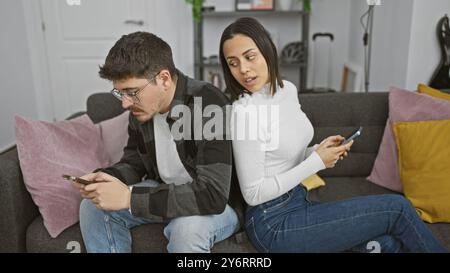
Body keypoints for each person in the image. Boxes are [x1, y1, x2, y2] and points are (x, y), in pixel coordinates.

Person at [219, 17, 448, 253]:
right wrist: (316, 162)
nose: (243, 69)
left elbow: (282, 157)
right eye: (233, 63)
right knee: (398, 209)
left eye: (249, 56)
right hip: (273, 222)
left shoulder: (287, 90)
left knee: (386, 244)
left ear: (268, 49)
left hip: (299, 200)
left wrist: (316, 150)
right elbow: (253, 194)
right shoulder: (244, 113)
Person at [74, 31, 243, 253]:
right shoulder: (140, 109)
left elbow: (213, 194)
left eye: (132, 92)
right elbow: (134, 163)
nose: (125, 103)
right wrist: (105, 178)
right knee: (92, 207)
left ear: (163, 79)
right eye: (120, 93)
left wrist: (130, 198)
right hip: (164, 190)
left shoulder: (208, 104)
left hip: (215, 204)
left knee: (187, 230)